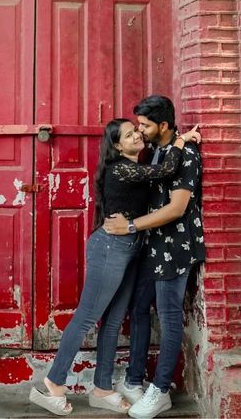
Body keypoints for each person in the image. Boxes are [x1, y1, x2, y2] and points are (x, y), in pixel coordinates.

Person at [29, 117, 200, 417]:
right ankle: (53, 384)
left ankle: (102, 388)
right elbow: (166, 169)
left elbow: (159, 167)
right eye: (130, 135)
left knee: (114, 318)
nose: (137, 136)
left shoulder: (138, 163)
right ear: (118, 146)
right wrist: (180, 141)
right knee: (86, 317)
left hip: (132, 248)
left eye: (137, 131)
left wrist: (177, 137)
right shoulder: (120, 167)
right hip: (110, 247)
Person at [104, 96, 205, 419]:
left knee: (169, 314)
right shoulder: (161, 150)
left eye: (145, 126)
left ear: (163, 125)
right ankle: (134, 380)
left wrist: (129, 226)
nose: (140, 131)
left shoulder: (186, 154)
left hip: (176, 247)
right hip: (154, 244)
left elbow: (176, 208)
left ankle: (160, 391)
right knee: (139, 306)